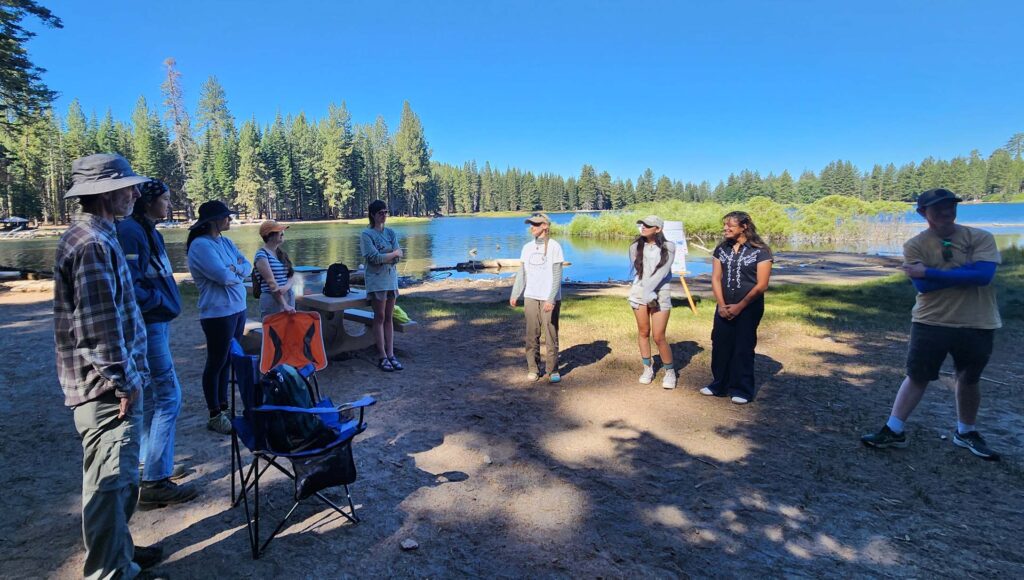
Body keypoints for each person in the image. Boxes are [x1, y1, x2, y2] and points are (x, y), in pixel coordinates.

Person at [54, 153, 164, 578]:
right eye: (129, 187)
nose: (136, 193)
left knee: (119, 479)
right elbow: (97, 329)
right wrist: (123, 383)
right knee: (109, 480)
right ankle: (111, 572)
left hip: (108, 385)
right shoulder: (94, 244)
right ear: (104, 193)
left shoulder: (99, 235)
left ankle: (120, 551)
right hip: (106, 391)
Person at [862, 188, 1002, 460]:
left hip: (978, 322)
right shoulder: (914, 245)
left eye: (951, 206)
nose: (947, 212)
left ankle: (966, 432)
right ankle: (894, 430)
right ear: (923, 213)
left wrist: (929, 271)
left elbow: (984, 276)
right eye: (938, 208)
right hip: (931, 321)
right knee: (917, 375)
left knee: (969, 379)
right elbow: (923, 286)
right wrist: (963, 273)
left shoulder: (981, 237)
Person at [116, 179, 198, 507]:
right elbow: (128, 284)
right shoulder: (131, 232)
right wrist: (158, 303)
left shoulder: (151, 231)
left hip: (158, 324)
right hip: (149, 326)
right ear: (147, 202)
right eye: (164, 199)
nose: (168, 204)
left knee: (153, 399)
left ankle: (152, 466)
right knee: (169, 397)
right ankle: (155, 481)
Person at [186, 200, 252, 435]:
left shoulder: (225, 241)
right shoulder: (201, 246)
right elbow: (223, 276)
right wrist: (236, 270)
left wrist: (236, 269)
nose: (230, 220)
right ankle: (214, 413)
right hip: (218, 312)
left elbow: (248, 266)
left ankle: (224, 408)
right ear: (214, 221)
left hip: (237, 308)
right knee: (216, 361)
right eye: (226, 216)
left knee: (229, 360)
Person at [701, 211, 773, 404]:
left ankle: (742, 389)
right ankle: (719, 384)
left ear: (744, 226)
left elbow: (762, 285)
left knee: (743, 346)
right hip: (724, 305)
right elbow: (716, 278)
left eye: (730, 225)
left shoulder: (761, 251)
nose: (725, 229)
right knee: (720, 344)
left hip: (749, 307)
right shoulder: (721, 249)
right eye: (724, 225)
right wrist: (722, 305)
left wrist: (740, 306)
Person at [509, 212, 565, 383]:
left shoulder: (555, 246)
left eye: (535, 224)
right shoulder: (527, 248)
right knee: (532, 334)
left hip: (549, 297)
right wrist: (515, 293)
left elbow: (557, 275)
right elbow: (522, 274)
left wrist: (551, 299)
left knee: (550, 334)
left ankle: (552, 369)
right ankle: (533, 368)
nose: (532, 227)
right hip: (531, 296)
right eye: (530, 224)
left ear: (545, 226)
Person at [629, 215, 678, 389]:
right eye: (642, 224)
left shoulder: (669, 247)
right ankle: (647, 368)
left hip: (660, 293)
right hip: (639, 293)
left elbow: (662, 273)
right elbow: (639, 271)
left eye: (648, 225)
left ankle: (670, 372)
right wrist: (643, 292)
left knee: (659, 336)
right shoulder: (635, 246)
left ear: (658, 229)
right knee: (643, 332)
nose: (643, 227)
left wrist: (650, 292)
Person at [360, 199, 404, 372]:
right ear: (373, 215)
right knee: (379, 317)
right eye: (380, 213)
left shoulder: (391, 233)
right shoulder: (366, 234)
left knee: (389, 317)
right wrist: (391, 254)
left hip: (391, 280)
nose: (384, 216)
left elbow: (399, 256)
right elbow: (374, 258)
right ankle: (382, 356)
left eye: (385, 212)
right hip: (376, 282)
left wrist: (390, 255)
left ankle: (391, 353)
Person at [253, 219, 296, 319]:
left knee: (289, 332)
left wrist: (286, 287)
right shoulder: (261, 255)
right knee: (274, 333)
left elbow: (291, 274)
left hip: (288, 296)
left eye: (282, 231)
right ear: (269, 235)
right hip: (272, 300)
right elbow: (271, 282)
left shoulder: (281, 253)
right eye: (279, 231)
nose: (282, 233)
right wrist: (284, 305)